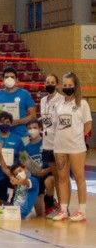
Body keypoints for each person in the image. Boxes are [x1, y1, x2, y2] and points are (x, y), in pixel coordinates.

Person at [50, 72, 90, 221]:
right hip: (60, 147)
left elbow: (88, 125)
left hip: (76, 148)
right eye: (65, 85)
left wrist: (79, 138)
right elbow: (55, 126)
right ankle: (63, 210)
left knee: (79, 177)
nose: (67, 87)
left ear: (75, 86)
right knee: (62, 178)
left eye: (70, 85)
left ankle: (82, 211)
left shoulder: (82, 104)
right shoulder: (58, 104)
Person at [38, 74, 63, 217]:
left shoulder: (61, 100)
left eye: (53, 82)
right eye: (48, 82)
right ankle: (56, 205)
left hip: (59, 144)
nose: (50, 84)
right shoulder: (42, 100)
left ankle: (63, 207)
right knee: (54, 177)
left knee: (61, 178)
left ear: (57, 85)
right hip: (47, 144)